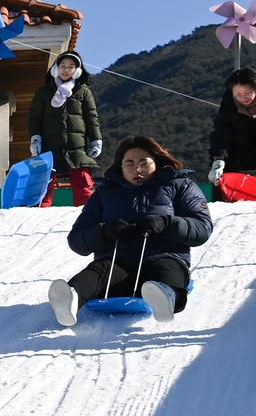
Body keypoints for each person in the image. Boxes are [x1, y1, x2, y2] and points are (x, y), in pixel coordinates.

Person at [48, 135, 211, 326]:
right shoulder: (105, 194)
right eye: (129, 163)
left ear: (156, 161)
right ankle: (70, 299)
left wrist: (166, 224)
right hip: (117, 263)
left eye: (143, 162)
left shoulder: (179, 186)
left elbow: (202, 227)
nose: (137, 169)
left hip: (163, 256)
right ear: (121, 167)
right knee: (98, 272)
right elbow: (77, 240)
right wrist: (105, 232)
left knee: (168, 270)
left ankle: (165, 297)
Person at [26, 50, 103, 206]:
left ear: (77, 71)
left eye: (71, 66)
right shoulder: (43, 92)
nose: (66, 69)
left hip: (77, 147)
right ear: (56, 68)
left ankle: (86, 211)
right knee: (44, 182)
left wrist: (96, 139)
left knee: (82, 180)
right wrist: (35, 138)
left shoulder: (83, 91)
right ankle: (41, 210)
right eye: (63, 66)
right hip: (50, 145)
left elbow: (91, 118)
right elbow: (34, 118)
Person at [206, 66, 256, 196]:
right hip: (237, 150)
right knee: (223, 182)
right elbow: (221, 131)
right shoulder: (229, 102)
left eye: (248, 93)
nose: (243, 98)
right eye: (238, 95)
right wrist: (218, 159)